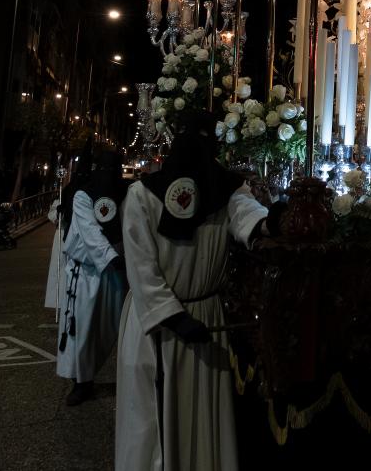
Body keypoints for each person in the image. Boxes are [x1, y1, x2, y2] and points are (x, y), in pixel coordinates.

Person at [115, 109, 273, 471]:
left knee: (202, 420)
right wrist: (173, 317)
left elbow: (248, 214)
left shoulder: (226, 190)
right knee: (152, 426)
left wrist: (270, 222)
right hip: (157, 325)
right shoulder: (142, 195)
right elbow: (141, 268)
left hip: (204, 319)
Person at [56, 140, 128, 405]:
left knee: (113, 328)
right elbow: (90, 233)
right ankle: (81, 381)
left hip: (114, 273)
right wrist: (112, 257)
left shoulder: (126, 193)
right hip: (87, 273)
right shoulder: (82, 196)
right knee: (82, 331)